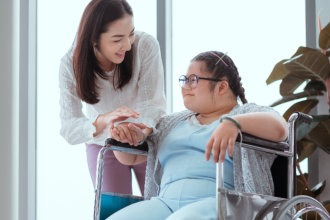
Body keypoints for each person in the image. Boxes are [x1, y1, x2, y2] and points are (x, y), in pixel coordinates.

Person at [107, 51, 288, 220]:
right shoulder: (170, 122)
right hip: (165, 203)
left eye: (193, 80)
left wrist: (234, 123)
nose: (185, 87)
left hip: (218, 202)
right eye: (184, 80)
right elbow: (130, 158)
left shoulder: (246, 113)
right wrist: (122, 137)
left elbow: (281, 128)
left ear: (222, 86)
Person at [59, 0, 166, 195]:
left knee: (158, 205)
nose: (126, 45)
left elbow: (153, 105)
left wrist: (136, 131)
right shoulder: (70, 64)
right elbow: (69, 126)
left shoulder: (145, 46)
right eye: (117, 39)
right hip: (103, 142)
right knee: (113, 212)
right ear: (94, 40)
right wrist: (103, 121)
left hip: (146, 137)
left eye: (131, 34)